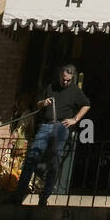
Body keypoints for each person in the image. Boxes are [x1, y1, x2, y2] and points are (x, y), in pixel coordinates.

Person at [12, 63, 90, 206]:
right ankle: (19, 193)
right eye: (63, 79)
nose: (65, 82)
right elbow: (38, 104)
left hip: (61, 127)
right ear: (60, 75)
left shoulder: (75, 91)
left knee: (54, 160)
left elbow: (86, 104)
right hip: (45, 125)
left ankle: (44, 196)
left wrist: (75, 119)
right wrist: (43, 103)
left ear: (72, 78)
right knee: (32, 157)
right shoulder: (51, 87)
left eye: (68, 80)